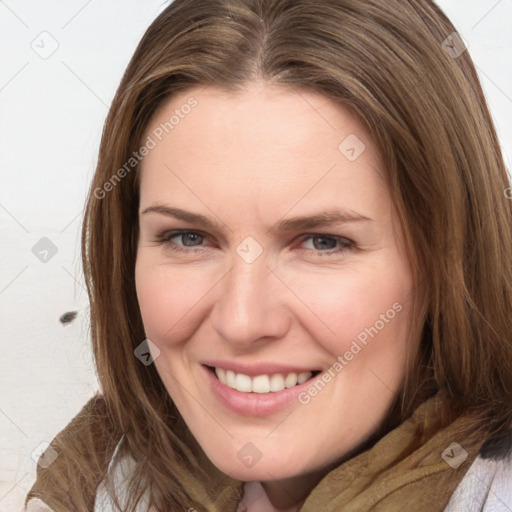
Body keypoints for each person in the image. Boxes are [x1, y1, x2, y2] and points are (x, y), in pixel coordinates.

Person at [24, 0, 512, 510]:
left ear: (448, 259)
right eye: (188, 237)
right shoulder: (87, 485)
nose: (241, 320)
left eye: (323, 242)